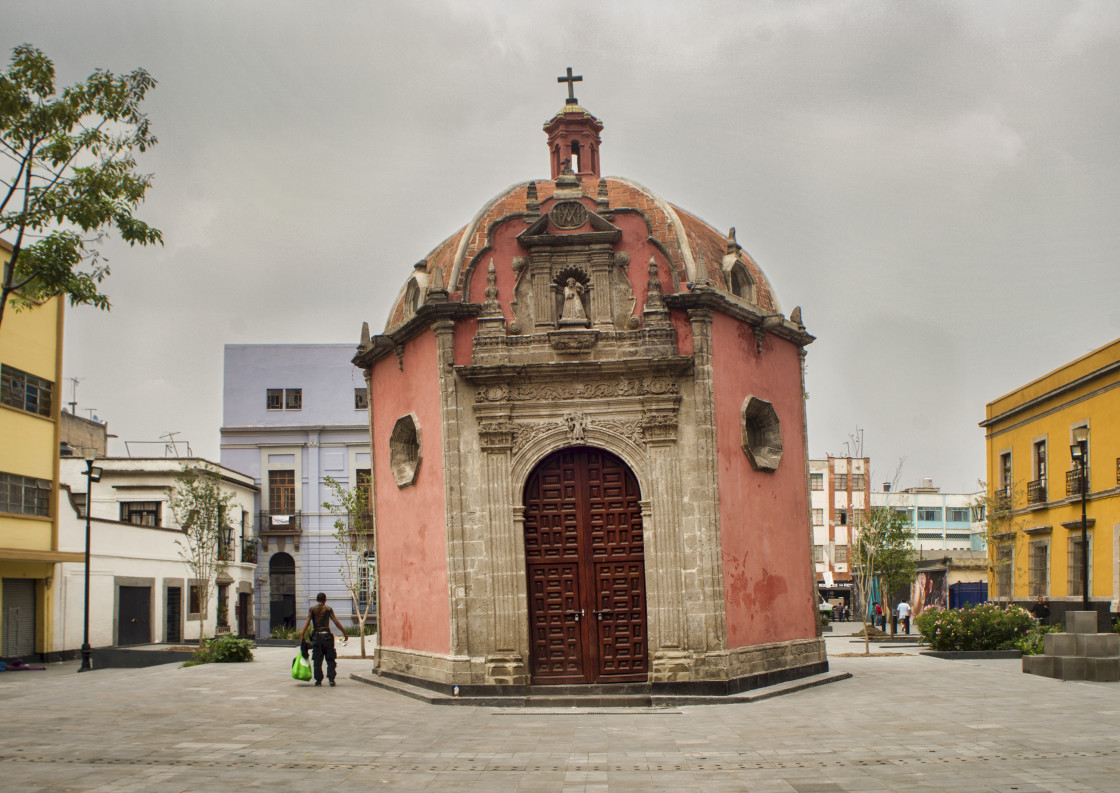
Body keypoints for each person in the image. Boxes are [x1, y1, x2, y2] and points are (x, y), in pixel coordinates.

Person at [299, 592, 348, 686]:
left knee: (317, 660)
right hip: (327, 637)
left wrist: (302, 635)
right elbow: (335, 621)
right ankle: (331, 679)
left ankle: (318, 680)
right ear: (325, 599)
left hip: (317, 637)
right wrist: (344, 633)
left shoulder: (312, 609)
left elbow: (307, 622)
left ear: (317, 600)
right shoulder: (328, 609)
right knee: (330, 659)